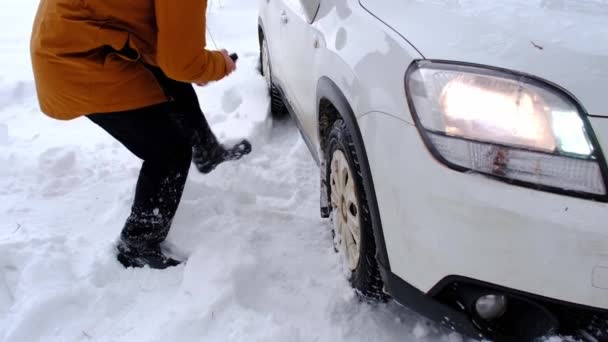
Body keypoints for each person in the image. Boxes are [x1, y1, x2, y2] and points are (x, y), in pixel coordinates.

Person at [30, 0, 251, 269]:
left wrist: (192, 64)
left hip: (83, 44)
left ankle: (208, 150)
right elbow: (180, 63)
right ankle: (138, 243)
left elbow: (161, 42)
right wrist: (215, 65)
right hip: (80, 62)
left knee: (174, 85)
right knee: (169, 150)